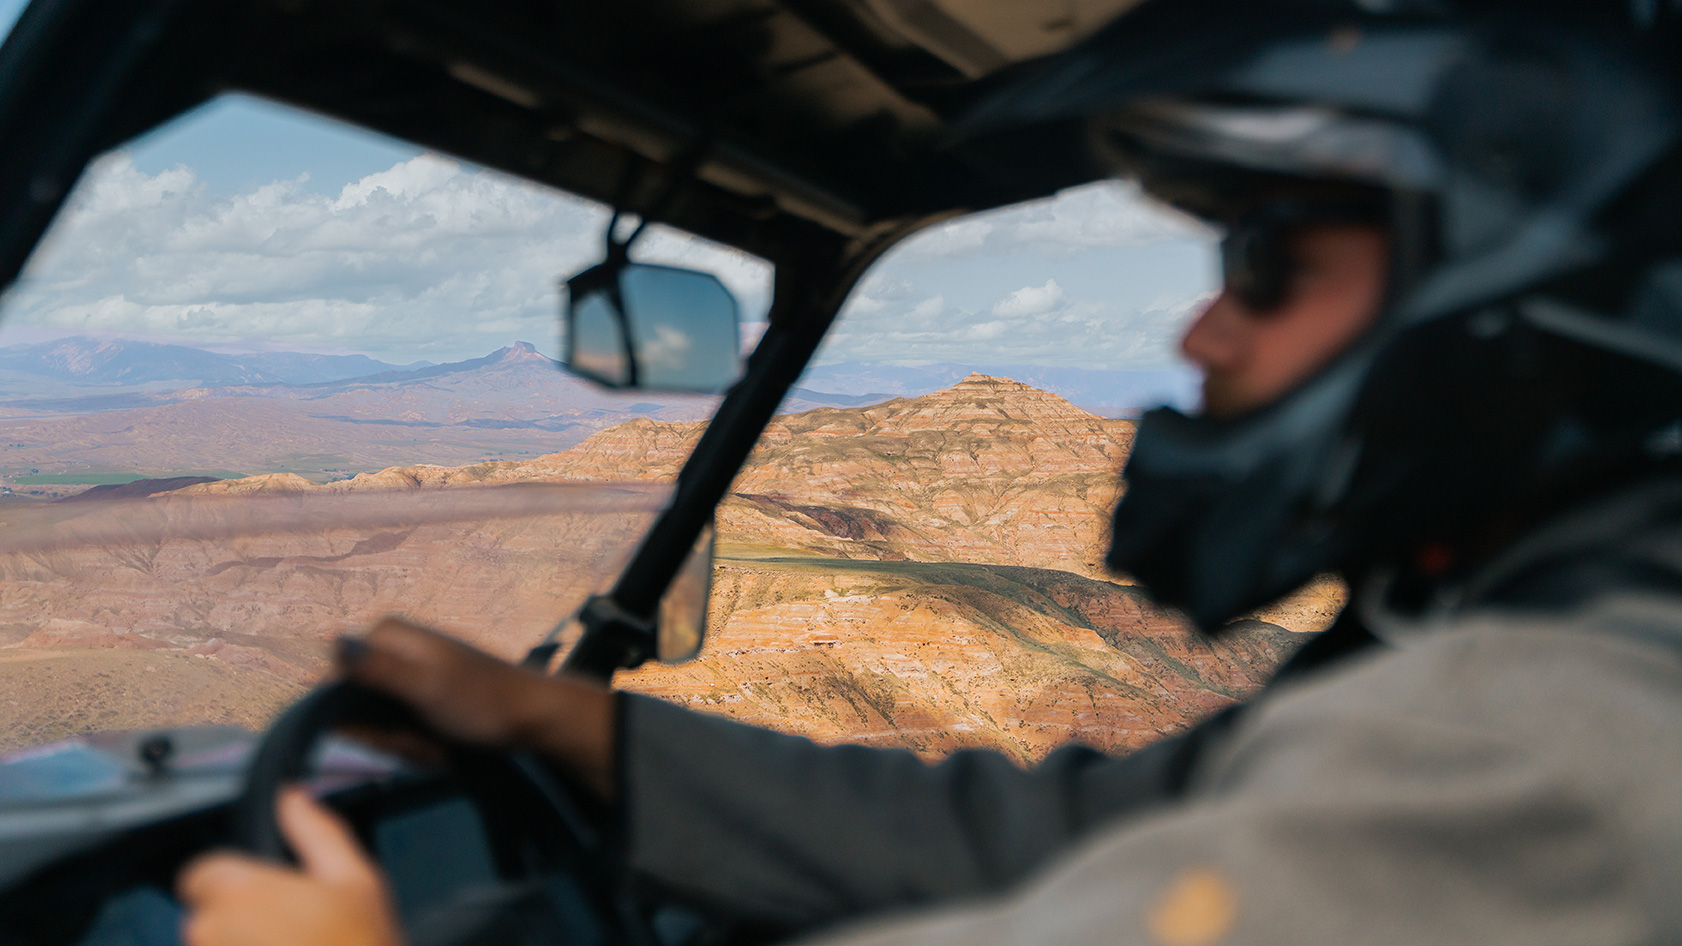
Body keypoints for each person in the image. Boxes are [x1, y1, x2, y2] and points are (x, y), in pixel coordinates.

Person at [176, 6, 1682, 945]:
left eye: (1270, 263)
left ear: (1511, 317)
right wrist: (578, 726)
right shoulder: (1470, 642)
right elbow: (1058, 847)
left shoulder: (1552, 738)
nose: (1198, 328)